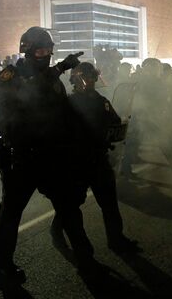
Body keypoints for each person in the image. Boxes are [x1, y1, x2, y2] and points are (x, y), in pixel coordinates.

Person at [0, 27, 95, 289]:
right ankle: (2, 264)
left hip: (52, 155)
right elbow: (27, 93)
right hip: (22, 156)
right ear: (27, 51)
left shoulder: (53, 78)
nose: (46, 55)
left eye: (49, 51)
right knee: (11, 212)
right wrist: (59, 67)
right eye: (40, 51)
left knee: (69, 207)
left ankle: (85, 257)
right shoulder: (11, 75)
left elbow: (63, 112)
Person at [50, 62, 141, 254]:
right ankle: (56, 231)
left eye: (92, 77)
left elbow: (115, 123)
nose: (90, 81)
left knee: (109, 203)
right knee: (73, 203)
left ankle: (116, 239)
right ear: (77, 79)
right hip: (76, 162)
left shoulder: (101, 100)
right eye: (87, 77)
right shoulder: (67, 103)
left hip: (99, 159)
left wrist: (120, 128)